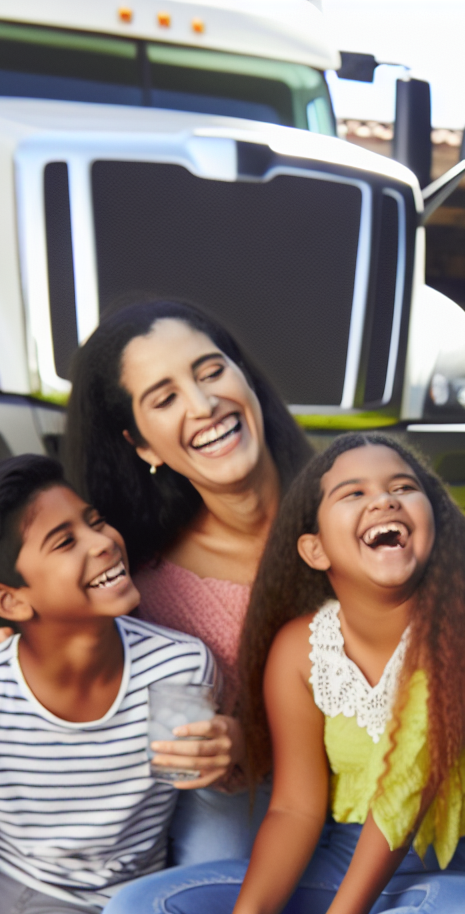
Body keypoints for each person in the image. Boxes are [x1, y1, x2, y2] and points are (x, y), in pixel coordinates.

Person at [98, 434, 465, 914]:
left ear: (434, 518)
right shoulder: (300, 650)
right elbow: (296, 810)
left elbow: (410, 784)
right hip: (339, 863)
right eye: (353, 493)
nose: (384, 501)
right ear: (314, 549)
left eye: (404, 487)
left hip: (464, 872)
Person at [0, 456, 219, 914]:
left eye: (95, 521)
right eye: (64, 541)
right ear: (11, 602)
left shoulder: (177, 667)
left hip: (86, 904)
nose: (102, 542)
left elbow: (183, 780)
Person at [63, 300, 313, 864]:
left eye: (210, 372)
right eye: (166, 398)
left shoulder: (361, 502)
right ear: (142, 444)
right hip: (249, 808)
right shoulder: (145, 591)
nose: (203, 405)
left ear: (244, 377)